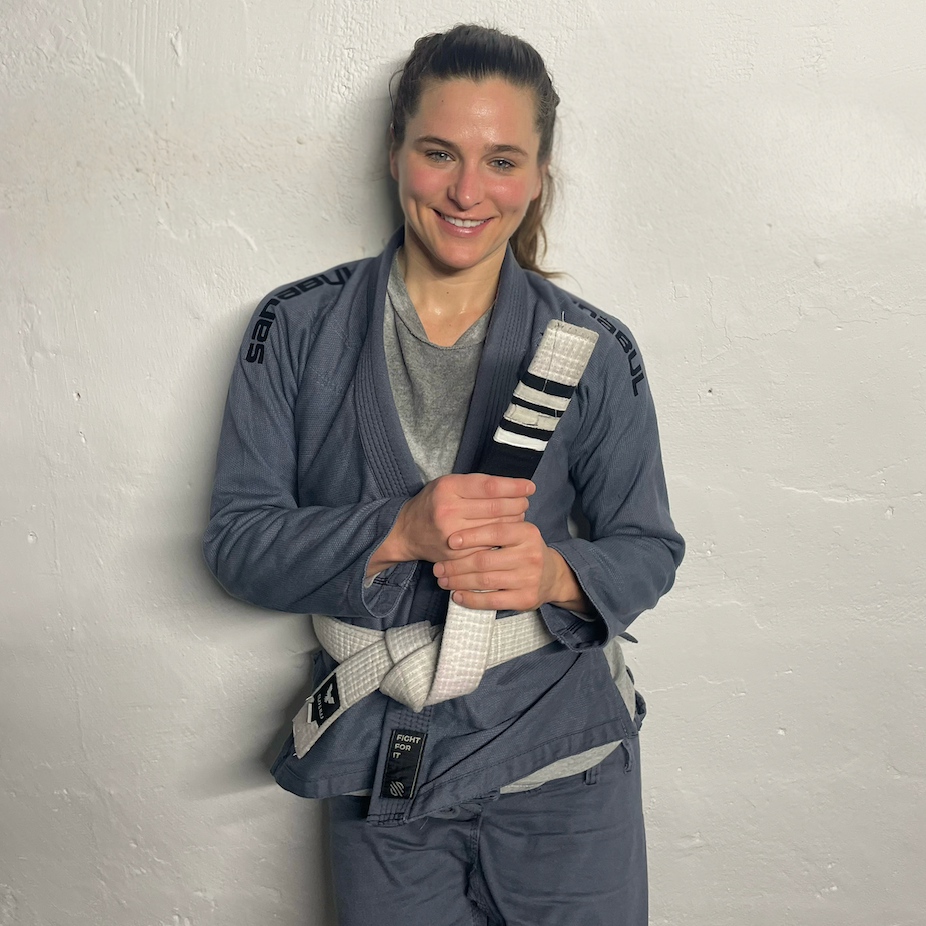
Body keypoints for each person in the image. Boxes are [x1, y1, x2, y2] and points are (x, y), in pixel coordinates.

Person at [204, 23, 684, 926]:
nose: (468, 191)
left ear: (540, 174)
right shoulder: (296, 331)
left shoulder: (594, 348)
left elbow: (649, 547)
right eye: (439, 153)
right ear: (395, 155)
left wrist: (556, 575)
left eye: (503, 160)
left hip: (564, 766)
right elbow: (238, 547)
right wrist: (399, 530)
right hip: (386, 762)